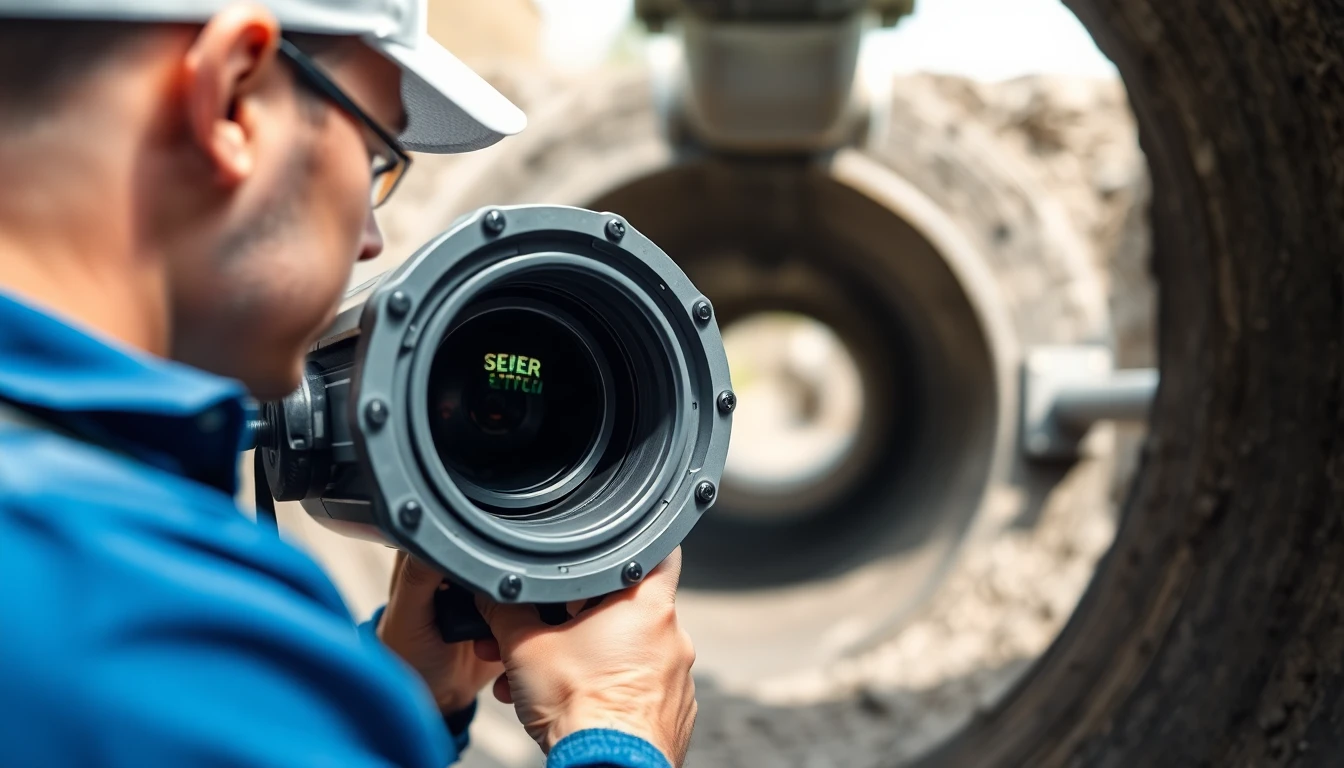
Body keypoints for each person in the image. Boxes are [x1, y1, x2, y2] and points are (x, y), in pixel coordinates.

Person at [0, 1, 697, 766]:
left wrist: (388, 699)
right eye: (374, 159)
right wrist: (614, 725)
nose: (369, 240)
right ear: (233, 100)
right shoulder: (124, 612)